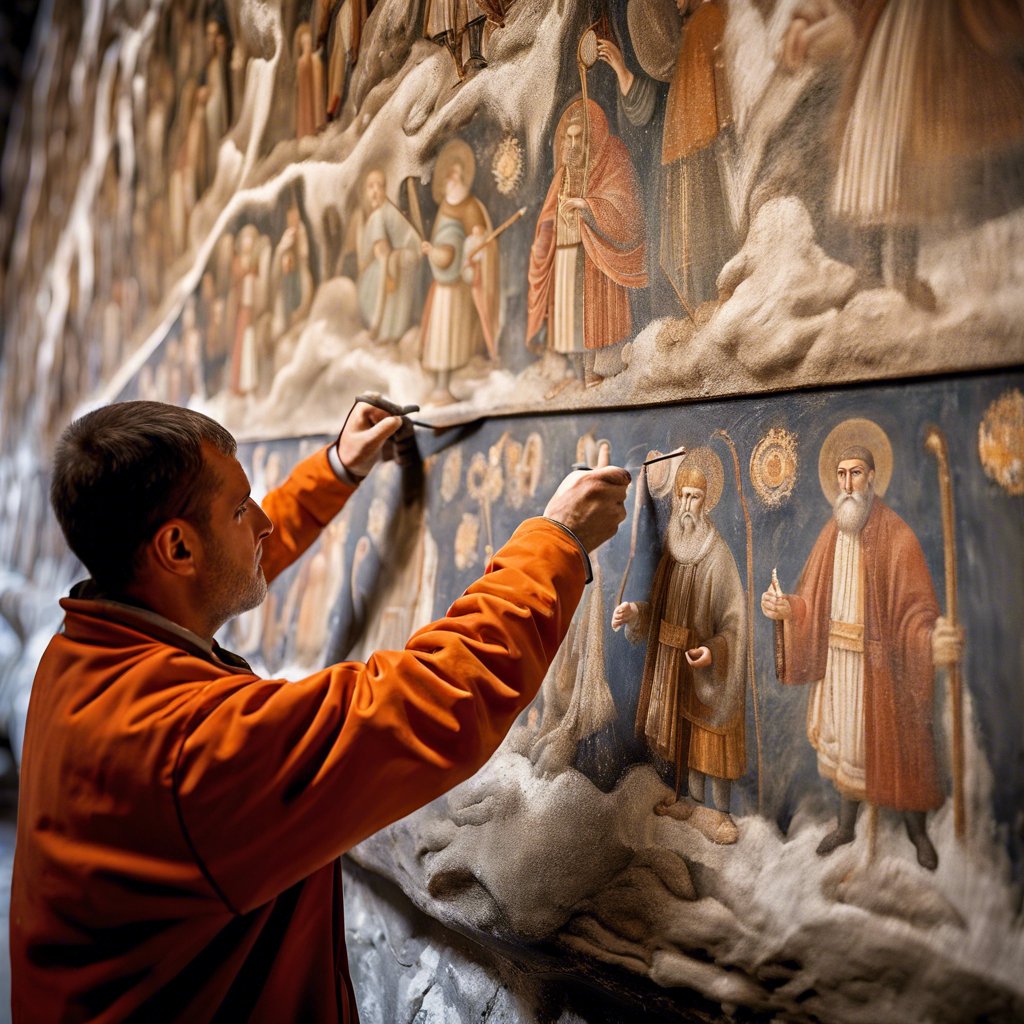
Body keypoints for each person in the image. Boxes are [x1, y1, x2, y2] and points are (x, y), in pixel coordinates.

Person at [10, 398, 629, 1021]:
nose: (263, 523)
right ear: (175, 547)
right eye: (239, 508)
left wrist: (337, 469)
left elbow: (212, 569)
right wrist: (556, 542)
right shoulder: (188, 747)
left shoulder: (84, 650)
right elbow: (431, 700)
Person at [761, 444, 963, 869]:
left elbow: (917, 614)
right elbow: (811, 604)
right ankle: (846, 825)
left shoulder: (897, 536)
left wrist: (928, 641)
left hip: (883, 668)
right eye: (841, 474)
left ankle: (917, 832)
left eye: (855, 474)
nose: (847, 484)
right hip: (838, 662)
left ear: (872, 477)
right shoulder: (832, 532)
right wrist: (786, 609)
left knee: (903, 747)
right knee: (846, 747)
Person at [612, 463, 746, 845]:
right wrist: (637, 611)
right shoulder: (673, 547)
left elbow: (735, 624)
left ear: (707, 502)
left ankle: (720, 812)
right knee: (683, 730)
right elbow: (659, 606)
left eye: (695, 497)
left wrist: (713, 651)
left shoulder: (717, 555)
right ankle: (689, 800)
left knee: (712, 733)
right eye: (683, 496)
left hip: (705, 664)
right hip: (673, 663)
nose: (687, 504)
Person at [526, 97, 648, 398]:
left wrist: (587, 205)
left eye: (578, 137)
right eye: (567, 137)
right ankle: (579, 376)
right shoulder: (564, 174)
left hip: (596, 256)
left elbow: (627, 211)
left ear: (592, 136)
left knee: (595, 320)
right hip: (566, 256)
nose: (571, 144)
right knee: (571, 321)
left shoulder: (612, 158)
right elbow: (547, 220)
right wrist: (546, 239)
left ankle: (597, 373)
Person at [420, 139, 499, 404]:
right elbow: (443, 244)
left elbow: (483, 244)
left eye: (458, 173)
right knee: (441, 336)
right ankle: (441, 386)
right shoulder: (444, 207)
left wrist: (476, 254)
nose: (454, 178)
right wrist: (434, 252)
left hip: (462, 287)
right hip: (443, 285)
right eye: (450, 174)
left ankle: (452, 385)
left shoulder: (471, 207)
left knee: (454, 339)